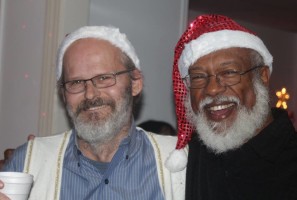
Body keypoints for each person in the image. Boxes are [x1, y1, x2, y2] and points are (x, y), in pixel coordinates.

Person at [0, 26, 185, 200]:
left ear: (135, 83)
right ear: (63, 94)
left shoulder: (183, 164)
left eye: (104, 78)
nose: (90, 94)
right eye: (76, 83)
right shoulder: (29, 163)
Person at [165, 14, 297, 199]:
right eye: (198, 77)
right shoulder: (187, 161)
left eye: (229, 72)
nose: (212, 89)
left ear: (262, 76)